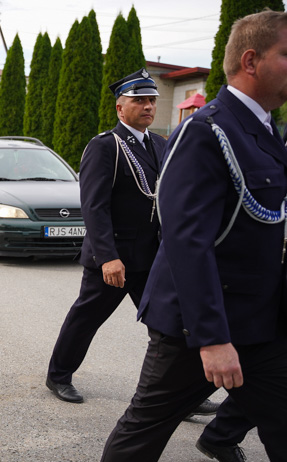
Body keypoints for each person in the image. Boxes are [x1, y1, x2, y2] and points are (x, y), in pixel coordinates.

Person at [76, 11, 287, 462]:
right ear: (252, 60)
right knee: (148, 421)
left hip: (260, 321)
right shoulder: (206, 130)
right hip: (201, 325)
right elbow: (187, 241)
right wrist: (212, 337)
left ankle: (218, 437)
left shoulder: (264, 127)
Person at [44, 68, 225, 420]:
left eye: (151, 101)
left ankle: (178, 394)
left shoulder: (159, 144)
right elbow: (95, 207)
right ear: (119, 108)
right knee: (87, 318)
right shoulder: (105, 146)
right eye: (139, 100)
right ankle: (58, 375)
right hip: (117, 259)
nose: (147, 107)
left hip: (155, 257)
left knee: (172, 324)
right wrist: (107, 257)